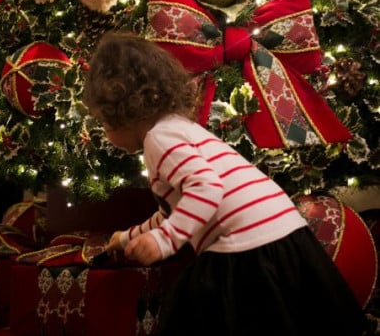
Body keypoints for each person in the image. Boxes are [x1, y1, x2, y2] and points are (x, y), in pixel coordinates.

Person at [82, 31, 369, 336]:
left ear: (123, 112)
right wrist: (128, 238)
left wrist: (164, 241)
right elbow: (177, 209)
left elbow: (206, 190)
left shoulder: (159, 140)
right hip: (284, 236)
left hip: (247, 248)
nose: (105, 134)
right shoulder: (180, 129)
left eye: (103, 121)